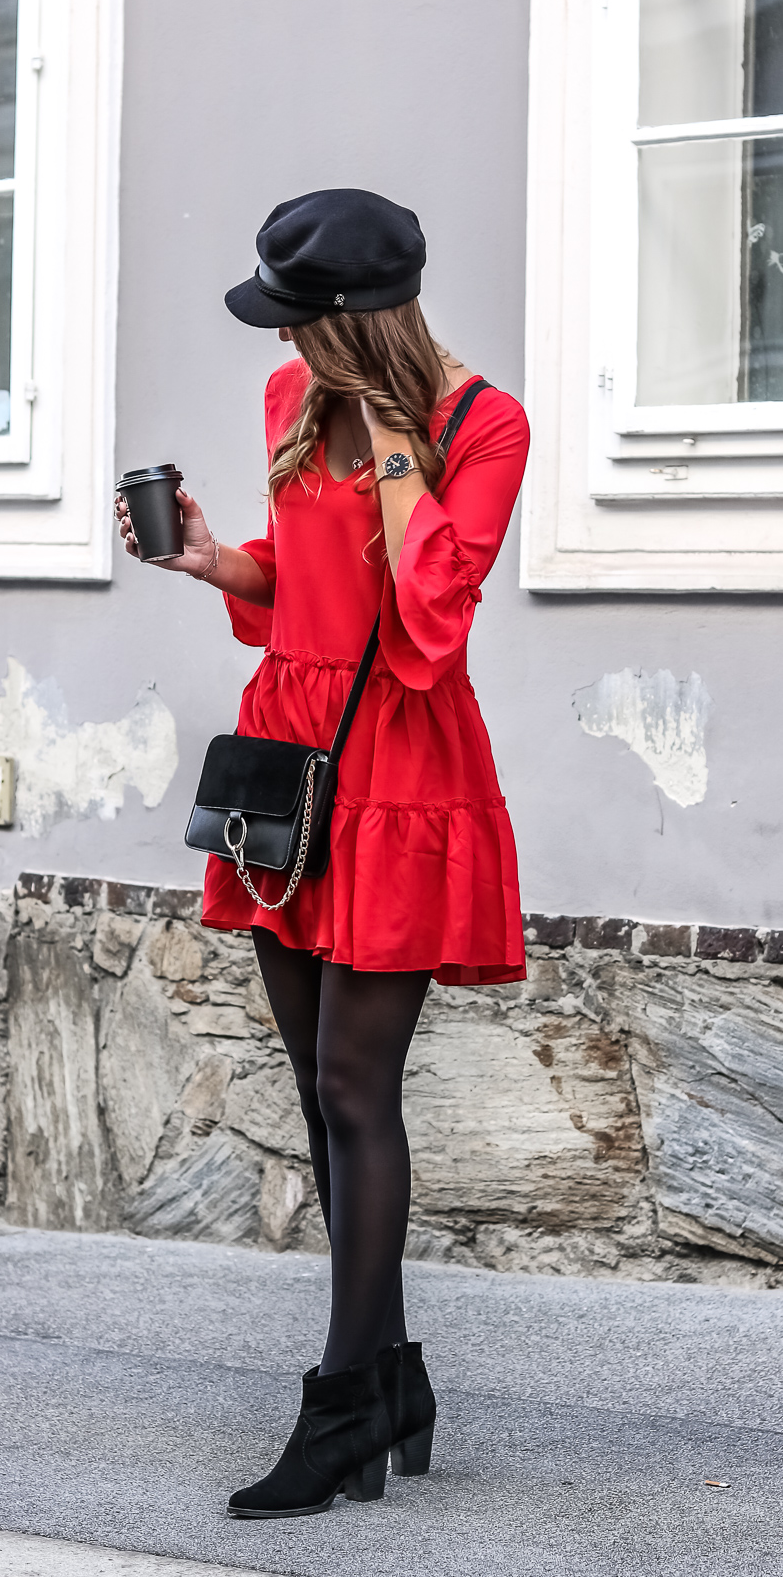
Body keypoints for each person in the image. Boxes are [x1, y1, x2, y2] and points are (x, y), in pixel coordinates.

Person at [115, 188, 530, 1519]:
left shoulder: (484, 427)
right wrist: (212, 564)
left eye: (304, 324)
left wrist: (399, 443)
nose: (286, 349)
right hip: (293, 758)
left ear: (361, 321)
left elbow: (424, 626)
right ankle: (392, 1372)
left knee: (360, 1090)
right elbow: (307, 593)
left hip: (402, 771)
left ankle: (345, 1404)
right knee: (316, 1090)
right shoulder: (292, 400)